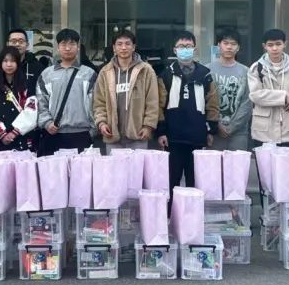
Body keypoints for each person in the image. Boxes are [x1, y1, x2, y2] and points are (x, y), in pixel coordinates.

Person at [156, 32, 220, 191]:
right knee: (171, 181)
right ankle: (171, 208)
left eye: (188, 46)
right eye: (181, 46)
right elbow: (159, 105)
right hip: (173, 138)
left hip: (197, 136)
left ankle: (193, 208)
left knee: (195, 182)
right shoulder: (166, 74)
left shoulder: (205, 74)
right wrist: (161, 132)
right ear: (174, 50)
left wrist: (210, 130)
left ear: (194, 49)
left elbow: (212, 104)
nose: (185, 49)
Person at [93, 30, 160, 151]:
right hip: (112, 135)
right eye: (119, 44)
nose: (123, 47)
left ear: (133, 47)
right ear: (114, 48)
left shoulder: (146, 70)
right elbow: (99, 102)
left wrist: (148, 126)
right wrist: (102, 123)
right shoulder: (105, 72)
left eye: (127, 44)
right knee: (114, 164)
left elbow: (153, 101)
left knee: (138, 164)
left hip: (138, 134)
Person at [248, 29, 289, 147]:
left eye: (278, 44)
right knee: (263, 160)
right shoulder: (256, 68)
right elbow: (255, 95)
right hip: (263, 132)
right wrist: (283, 96)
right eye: (270, 45)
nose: (274, 48)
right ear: (264, 46)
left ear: (285, 44)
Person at [37, 29, 98, 155]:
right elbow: (41, 102)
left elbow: (96, 103)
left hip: (82, 134)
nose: (68, 48)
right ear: (58, 47)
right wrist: (47, 123)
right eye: (63, 44)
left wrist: (93, 131)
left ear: (78, 47)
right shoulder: (47, 74)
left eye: (72, 44)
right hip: (54, 133)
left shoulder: (88, 73)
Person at [0, 46, 40, 152]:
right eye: (5, 61)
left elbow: (31, 111)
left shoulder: (26, 84)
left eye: (13, 61)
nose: (9, 64)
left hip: (22, 138)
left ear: (18, 63)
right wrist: (2, 134)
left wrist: (15, 132)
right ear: (0, 63)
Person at [207, 29, 252, 151]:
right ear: (218, 45)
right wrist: (216, 125)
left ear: (238, 48)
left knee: (237, 163)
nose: (229, 47)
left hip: (239, 133)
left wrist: (232, 126)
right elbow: (204, 101)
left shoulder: (246, 71)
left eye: (233, 44)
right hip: (213, 132)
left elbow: (247, 103)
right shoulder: (207, 70)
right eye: (225, 43)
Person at [7, 28, 50, 92]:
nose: (17, 44)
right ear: (7, 44)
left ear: (27, 45)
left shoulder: (38, 69)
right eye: (13, 41)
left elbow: (46, 93)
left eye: (21, 41)